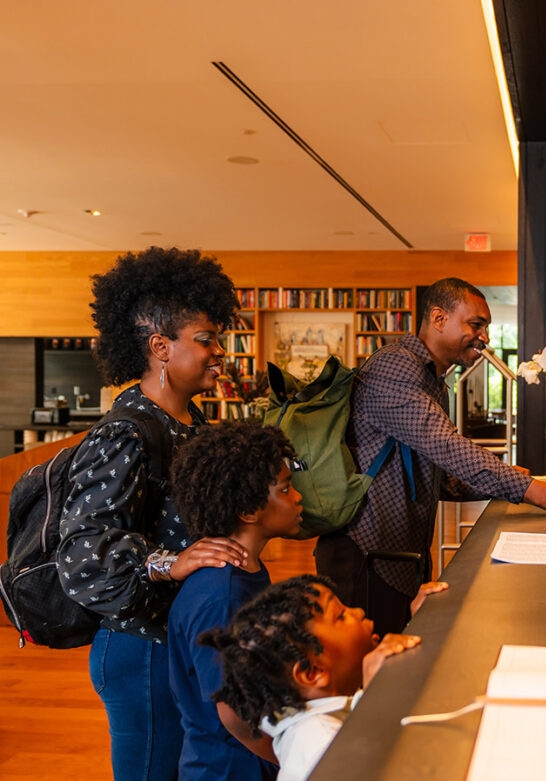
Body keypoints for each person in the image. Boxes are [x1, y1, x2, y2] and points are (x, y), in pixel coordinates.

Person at [315, 277, 546, 634]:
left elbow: (433, 475)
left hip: (400, 557)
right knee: (374, 674)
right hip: (364, 554)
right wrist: (536, 491)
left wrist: (507, 482)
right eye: (476, 324)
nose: (484, 336)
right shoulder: (395, 367)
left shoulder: (434, 380)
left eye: (486, 327)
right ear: (438, 319)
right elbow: (446, 446)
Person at [57, 247, 248, 781]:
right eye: (206, 340)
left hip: (180, 639)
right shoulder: (125, 432)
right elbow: (82, 555)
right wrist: (171, 562)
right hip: (140, 650)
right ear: (160, 347)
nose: (219, 353)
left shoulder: (191, 423)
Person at [166, 421, 300, 780]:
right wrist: (299, 758)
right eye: (286, 490)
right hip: (229, 768)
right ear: (248, 510)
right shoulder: (222, 595)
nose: (298, 497)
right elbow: (234, 712)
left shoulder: (245, 571)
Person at [199, 575, 421, 781]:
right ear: (312, 673)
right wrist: (376, 698)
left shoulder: (321, 716)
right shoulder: (317, 742)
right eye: (341, 616)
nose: (358, 612)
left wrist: (422, 620)